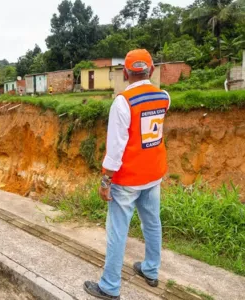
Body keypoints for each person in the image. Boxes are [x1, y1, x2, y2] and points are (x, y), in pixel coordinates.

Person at [83, 49, 171, 300]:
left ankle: (110, 286)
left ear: (125, 72)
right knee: (152, 223)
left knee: (118, 231)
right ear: (151, 71)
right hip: (153, 176)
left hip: (128, 179)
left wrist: (105, 180)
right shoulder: (164, 97)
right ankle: (151, 270)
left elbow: (115, 148)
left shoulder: (123, 102)